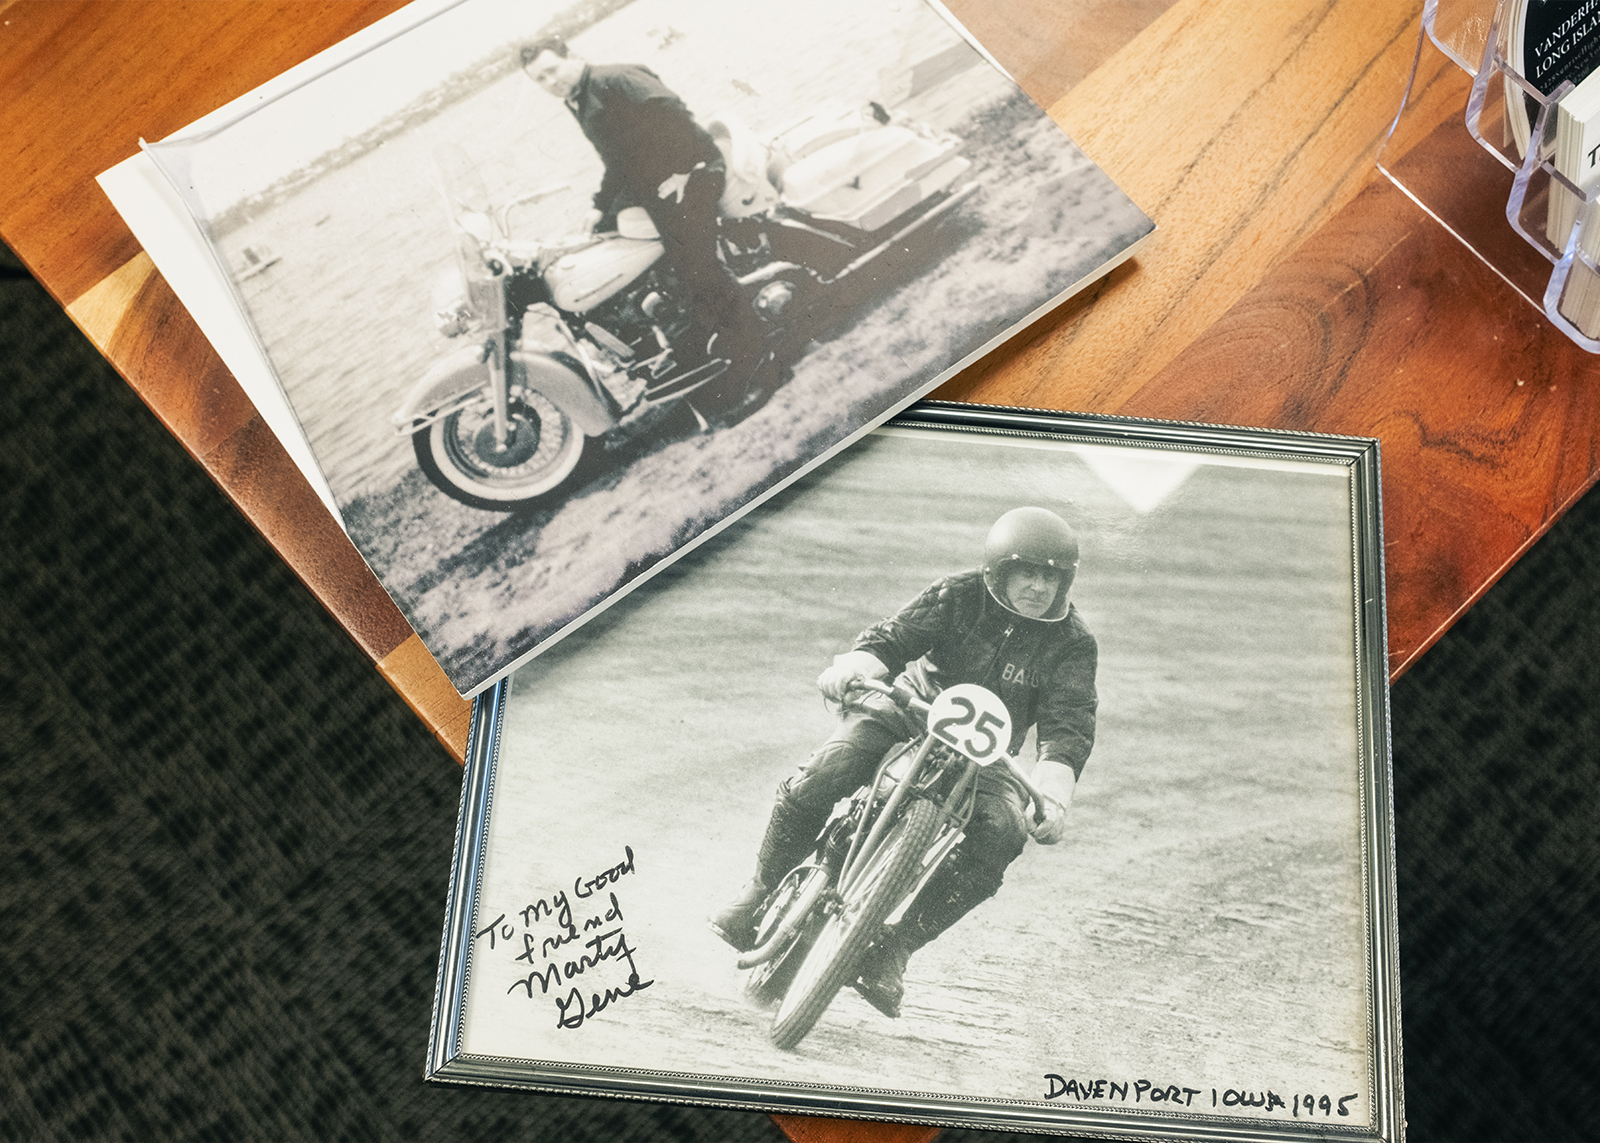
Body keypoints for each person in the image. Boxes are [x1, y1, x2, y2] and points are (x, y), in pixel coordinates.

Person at [710, 506, 1098, 1018]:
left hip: (988, 755)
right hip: (911, 711)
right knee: (832, 766)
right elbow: (892, 639)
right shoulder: (958, 594)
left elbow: (1068, 726)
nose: (1038, 586)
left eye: (1050, 577)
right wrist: (855, 666)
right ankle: (759, 890)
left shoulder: (1072, 643)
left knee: (1004, 833)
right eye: (1027, 572)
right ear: (1000, 570)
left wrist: (1053, 797)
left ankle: (895, 948)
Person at [520, 36, 764, 380]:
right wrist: (600, 206)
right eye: (540, 79)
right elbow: (617, 159)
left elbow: (676, 113)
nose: (550, 81)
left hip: (693, 171)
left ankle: (759, 360)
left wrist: (684, 170)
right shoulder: (579, 97)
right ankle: (669, 334)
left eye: (552, 70)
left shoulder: (615, 79)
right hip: (654, 182)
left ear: (572, 56)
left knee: (697, 270)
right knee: (606, 236)